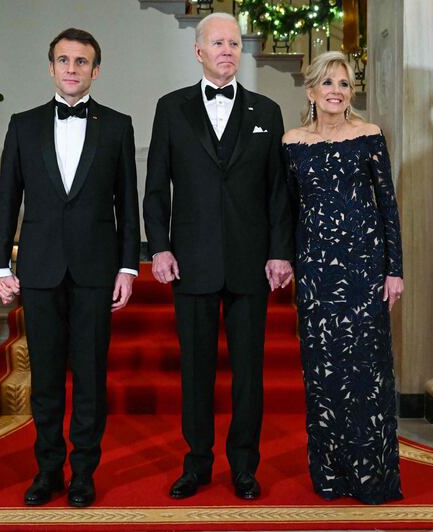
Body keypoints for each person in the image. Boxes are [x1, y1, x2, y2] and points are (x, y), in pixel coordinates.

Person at [0, 28, 139, 508]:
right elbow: (6, 198)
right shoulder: (24, 123)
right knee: (46, 379)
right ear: (50, 67)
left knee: (90, 378)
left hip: (96, 269)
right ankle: (48, 469)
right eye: (64, 60)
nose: (72, 68)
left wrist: (128, 267)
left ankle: (84, 474)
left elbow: (126, 204)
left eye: (82, 61)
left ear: (96, 70)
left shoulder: (118, 125)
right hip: (40, 268)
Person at [143, 12, 292, 501]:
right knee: (196, 371)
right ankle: (197, 463)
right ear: (199, 51)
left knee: (250, 373)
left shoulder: (268, 112)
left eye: (233, 43)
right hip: (191, 261)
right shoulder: (171, 109)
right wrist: (159, 247)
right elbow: (155, 188)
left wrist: (279, 253)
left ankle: (244, 466)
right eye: (218, 43)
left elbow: (278, 194)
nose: (228, 50)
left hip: (252, 263)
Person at [282, 51, 403, 504]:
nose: (337, 91)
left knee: (367, 375)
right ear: (311, 90)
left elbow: (388, 206)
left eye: (345, 84)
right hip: (315, 272)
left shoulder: (370, 136)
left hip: (365, 271)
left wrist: (395, 270)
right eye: (328, 83)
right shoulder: (292, 141)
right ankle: (331, 477)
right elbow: (289, 210)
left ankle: (373, 479)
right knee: (324, 376)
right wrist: (288, 261)